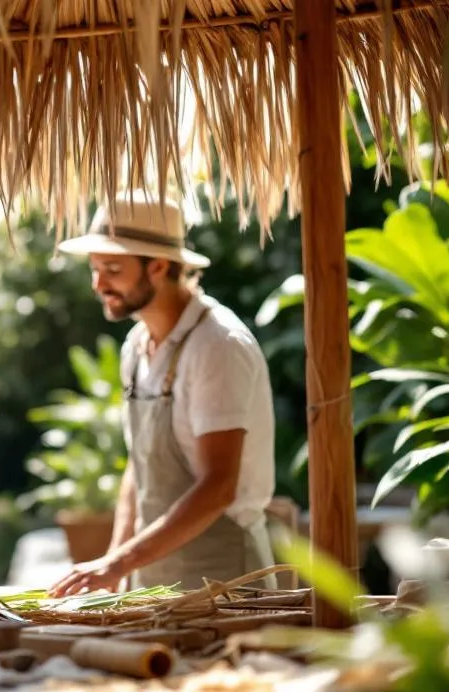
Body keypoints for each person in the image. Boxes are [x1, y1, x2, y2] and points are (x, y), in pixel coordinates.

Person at [47, 193, 277, 597]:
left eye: (113, 269)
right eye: (96, 269)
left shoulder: (217, 345)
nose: (99, 284)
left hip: (226, 584)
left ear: (157, 266)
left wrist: (117, 562)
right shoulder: (136, 346)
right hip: (152, 582)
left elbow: (219, 487)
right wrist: (114, 569)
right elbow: (140, 468)